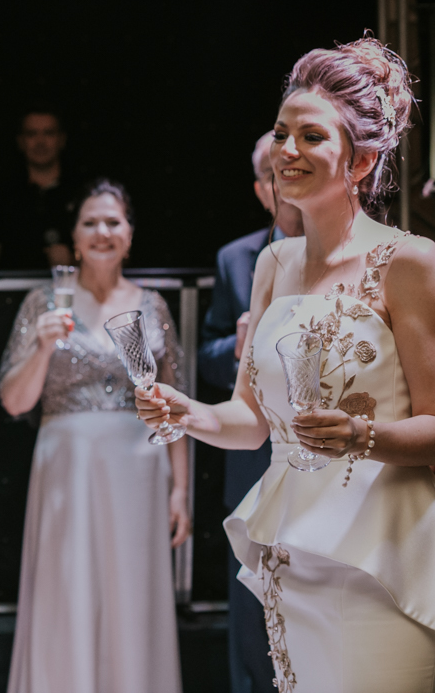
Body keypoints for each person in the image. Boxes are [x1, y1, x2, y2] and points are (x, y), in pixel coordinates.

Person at [137, 36, 435, 692]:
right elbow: (251, 421)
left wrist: (364, 436)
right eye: (280, 133)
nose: (287, 150)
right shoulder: (272, 266)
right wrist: (189, 412)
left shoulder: (410, 263)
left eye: (311, 136)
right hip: (293, 557)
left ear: (359, 162)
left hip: (380, 559)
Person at [0, 179, 189, 693]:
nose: (102, 231)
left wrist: (180, 489)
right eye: (90, 222)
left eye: (113, 221)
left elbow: (177, 406)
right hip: (68, 464)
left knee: (133, 588)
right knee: (68, 585)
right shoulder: (44, 302)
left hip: (139, 466)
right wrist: (41, 348)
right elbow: (14, 402)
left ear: (129, 234)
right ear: (75, 238)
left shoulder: (153, 306)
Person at [198, 132, 304, 693]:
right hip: (254, 465)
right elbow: (208, 357)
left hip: (332, 465)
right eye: (270, 171)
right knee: (253, 630)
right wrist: (237, 349)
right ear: (260, 189)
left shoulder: (359, 256)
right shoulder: (238, 259)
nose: (284, 177)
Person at [0, 104, 80, 271]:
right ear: (20, 141)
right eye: (32, 134)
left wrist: (71, 262)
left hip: (72, 292)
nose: (40, 142)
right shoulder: (2, 195)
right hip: (13, 292)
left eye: (49, 133)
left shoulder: (83, 195)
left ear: (62, 139)